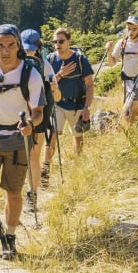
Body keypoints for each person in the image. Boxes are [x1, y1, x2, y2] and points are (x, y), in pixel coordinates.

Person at [0, 24, 44, 259]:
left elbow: (38, 111)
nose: (5, 51)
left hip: (18, 140)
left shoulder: (30, 74)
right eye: (0, 45)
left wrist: (31, 124)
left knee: (13, 192)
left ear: (18, 46)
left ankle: (10, 237)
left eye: (10, 45)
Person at [20, 28, 60, 212]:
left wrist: (54, 88)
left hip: (39, 117)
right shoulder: (18, 66)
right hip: (20, 117)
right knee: (22, 158)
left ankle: (32, 194)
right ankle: (20, 194)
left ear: (38, 47)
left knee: (33, 157)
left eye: (32, 48)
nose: (28, 51)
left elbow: (57, 97)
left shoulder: (45, 66)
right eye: (25, 48)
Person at [43, 27, 94, 171]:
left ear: (68, 42)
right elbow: (45, 84)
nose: (57, 44)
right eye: (54, 42)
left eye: (61, 41)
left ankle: (77, 167)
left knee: (78, 136)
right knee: (52, 135)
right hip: (57, 104)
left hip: (77, 105)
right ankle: (45, 169)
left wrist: (87, 107)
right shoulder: (50, 60)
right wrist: (60, 74)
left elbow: (89, 85)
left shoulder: (80, 59)